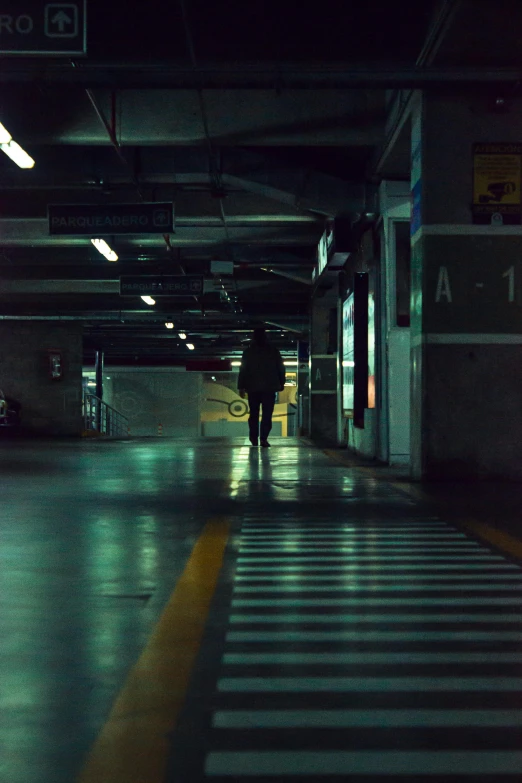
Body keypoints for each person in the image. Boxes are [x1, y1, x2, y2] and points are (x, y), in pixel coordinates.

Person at [238, 327, 285, 447]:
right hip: (270, 388)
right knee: (267, 415)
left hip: (252, 388)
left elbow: (243, 370)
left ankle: (253, 438)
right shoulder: (274, 351)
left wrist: (241, 387)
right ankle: (263, 439)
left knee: (253, 414)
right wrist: (281, 383)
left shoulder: (248, 352)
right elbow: (281, 368)